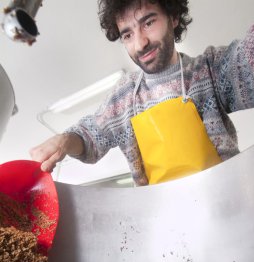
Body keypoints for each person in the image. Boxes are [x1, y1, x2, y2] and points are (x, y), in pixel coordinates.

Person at [30, 0, 254, 186]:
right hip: (168, 224)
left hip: (230, 205)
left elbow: (247, 64)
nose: (140, 43)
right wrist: (65, 141)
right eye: (127, 35)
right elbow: (90, 136)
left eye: (148, 23)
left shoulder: (208, 70)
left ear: (173, 17)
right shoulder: (124, 98)